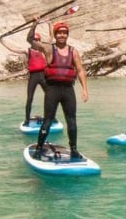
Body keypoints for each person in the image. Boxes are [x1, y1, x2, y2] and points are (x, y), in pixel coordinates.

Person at [29, 19, 89, 160]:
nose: (62, 35)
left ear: (67, 35)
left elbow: (80, 71)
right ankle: (39, 148)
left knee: (72, 121)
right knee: (48, 120)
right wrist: (34, 24)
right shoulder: (49, 49)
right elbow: (30, 40)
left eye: (64, 33)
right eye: (59, 33)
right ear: (55, 35)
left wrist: (85, 89)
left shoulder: (73, 51)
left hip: (68, 89)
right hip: (52, 89)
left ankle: (74, 150)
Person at [1, 21, 49, 125]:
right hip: (33, 76)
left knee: (49, 96)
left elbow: (51, 38)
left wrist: (50, 25)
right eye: (35, 40)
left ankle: (49, 117)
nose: (36, 41)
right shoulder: (27, 51)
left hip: (43, 75)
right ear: (32, 41)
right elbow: (12, 48)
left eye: (38, 40)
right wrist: (2, 41)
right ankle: (27, 119)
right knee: (30, 98)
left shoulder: (43, 50)